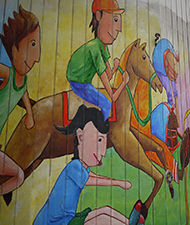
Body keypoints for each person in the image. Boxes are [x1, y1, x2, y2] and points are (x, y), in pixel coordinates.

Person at [33, 105, 135, 225]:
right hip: (55, 222)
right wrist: (118, 183)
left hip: (67, 219)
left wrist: (118, 181)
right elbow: (91, 180)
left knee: (106, 211)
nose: (103, 153)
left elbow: (91, 175)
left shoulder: (81, 169)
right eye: (99, 140)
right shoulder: (73, 166)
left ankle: (130, 223)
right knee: (102, 219)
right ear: (80, 136)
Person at [0, 5, 40, 195]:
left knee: (18, 176)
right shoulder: (7, 73)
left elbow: (23, 92)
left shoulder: (22, 81)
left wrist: (30, 115)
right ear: (15, 48)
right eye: (33, 45)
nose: (37, 57)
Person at [66, 0, 129, 121]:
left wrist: (115, 68)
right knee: (106, 104)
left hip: (84, 81)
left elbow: (107, 76)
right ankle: (98, 134)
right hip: (79, 83)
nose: (119, 29)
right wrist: (124, 82)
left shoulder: (102, 46)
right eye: (115, 20)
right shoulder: (94, 49)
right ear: (98, 16)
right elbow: (113, 96)